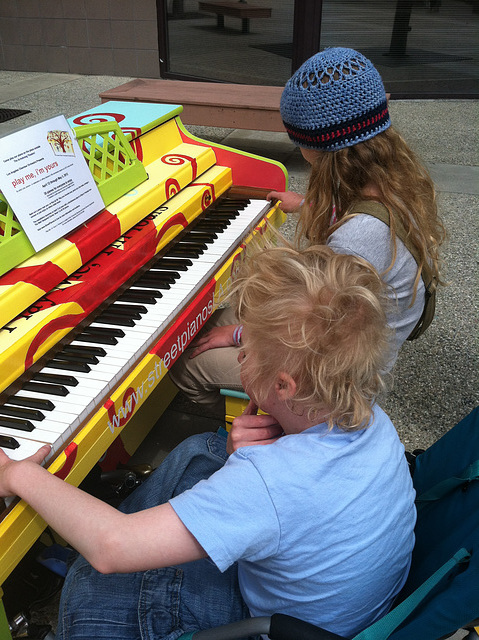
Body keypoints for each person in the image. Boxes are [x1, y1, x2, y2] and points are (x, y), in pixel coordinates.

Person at [0, 244, 416, 640]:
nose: (240, 356)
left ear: (284, 385)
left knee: (91, 579)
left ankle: (71, 556)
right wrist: (244, 462)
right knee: (205, 449)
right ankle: (94, 520)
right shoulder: (374, 421)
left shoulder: (269, 481)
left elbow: (113, 548)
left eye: (247, 350)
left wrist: (19, 474)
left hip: (266, 627)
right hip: (338, 612)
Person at [168, 46, 446, 416]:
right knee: (209, 322)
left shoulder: (357, 239)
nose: (299, 149)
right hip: (342, 334)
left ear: (320, 148)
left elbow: (311, 334)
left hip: (337, 376)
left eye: (299, 141)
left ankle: (238, 430)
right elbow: (355, 220)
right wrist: (303, 205)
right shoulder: (393, 183)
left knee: (186, 363)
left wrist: (238, 337)